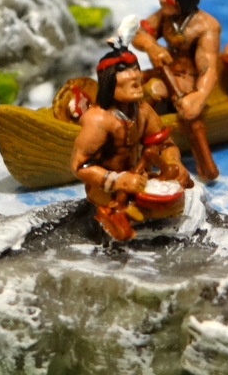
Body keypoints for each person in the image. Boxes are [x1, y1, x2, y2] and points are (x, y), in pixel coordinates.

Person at [71, 18, 192, 241]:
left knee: (176, 201)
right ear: (109, 82)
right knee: (124, 222)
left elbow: (165, 145)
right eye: (126, 74)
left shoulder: (143, 110)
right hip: (106, 190)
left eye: (136, 70)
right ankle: (116, 219)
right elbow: (80, 166)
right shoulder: (98, 120)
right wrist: (118, 181)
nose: (136, 80)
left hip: (140, 178)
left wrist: (174, 163)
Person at [132, 0, 221, 180]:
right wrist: (152, 47)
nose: (162, 0)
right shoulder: (165, 15)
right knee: (131, 79)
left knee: (153, 89)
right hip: (166, 72)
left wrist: (199, 96)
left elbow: (208, 68)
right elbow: (138, 33)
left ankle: (136, 133)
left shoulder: (206, 26)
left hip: (189, 80)